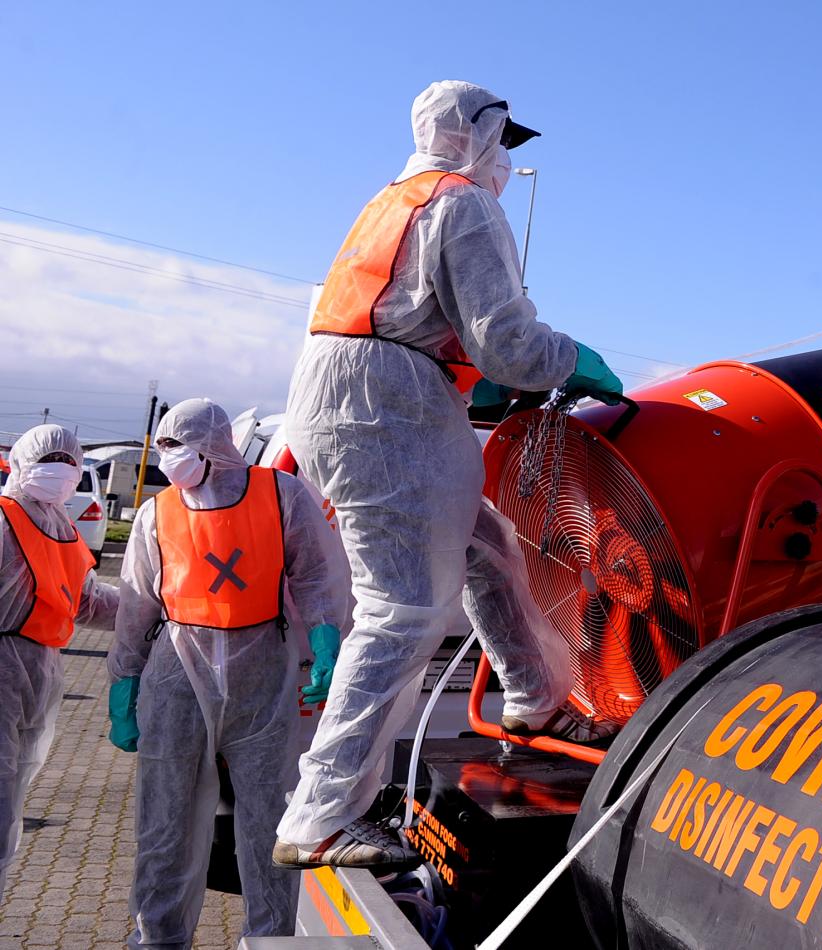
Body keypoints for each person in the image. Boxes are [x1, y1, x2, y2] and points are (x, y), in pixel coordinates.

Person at [272, 79, 623, 870]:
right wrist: (571, 360)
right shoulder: (464, 202)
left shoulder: (397, 199)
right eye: (505, 141)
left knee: (485, 547)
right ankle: (319, 815)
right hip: (390, 408)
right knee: (401, 610)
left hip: (356, 396)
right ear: (479, 134)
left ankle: (534, 698)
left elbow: (403, 315)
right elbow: (507, 340)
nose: (507, 160)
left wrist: (486, 376)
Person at [107, 399, 343, 946]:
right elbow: (138, 605)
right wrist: (124, 681)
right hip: (176, 676)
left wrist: (326, 640)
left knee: (268, 824)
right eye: (162, 448)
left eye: (176, 447)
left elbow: (314, 577)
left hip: (262, 668)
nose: (169, 459)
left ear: (213, 445)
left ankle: (269, 939)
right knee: (164, 822)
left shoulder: (281, 494)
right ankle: (158, 937)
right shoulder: (156, 511)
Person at [0, 425, 118, 899]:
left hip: (39, 671)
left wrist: (154, 606)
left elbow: (85, 601)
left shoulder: (61, 525)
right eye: (51, 458)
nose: (62, 469)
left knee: (9, 803)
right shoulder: (4, 517)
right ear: (22, 461)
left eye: (71, 461)